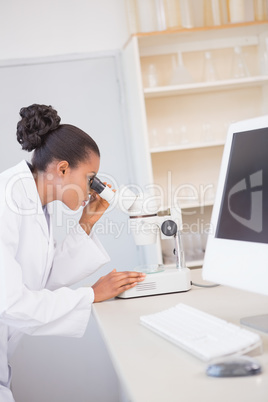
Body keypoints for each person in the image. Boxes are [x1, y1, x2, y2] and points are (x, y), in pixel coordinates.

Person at [0, 104, 146, 401]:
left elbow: (41, 282)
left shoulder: (34, 204)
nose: (92, 189)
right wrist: (90, 294)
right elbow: (11, 302)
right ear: (63, 169)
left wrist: (87, 221)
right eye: (90, 178)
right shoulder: (7, 199)